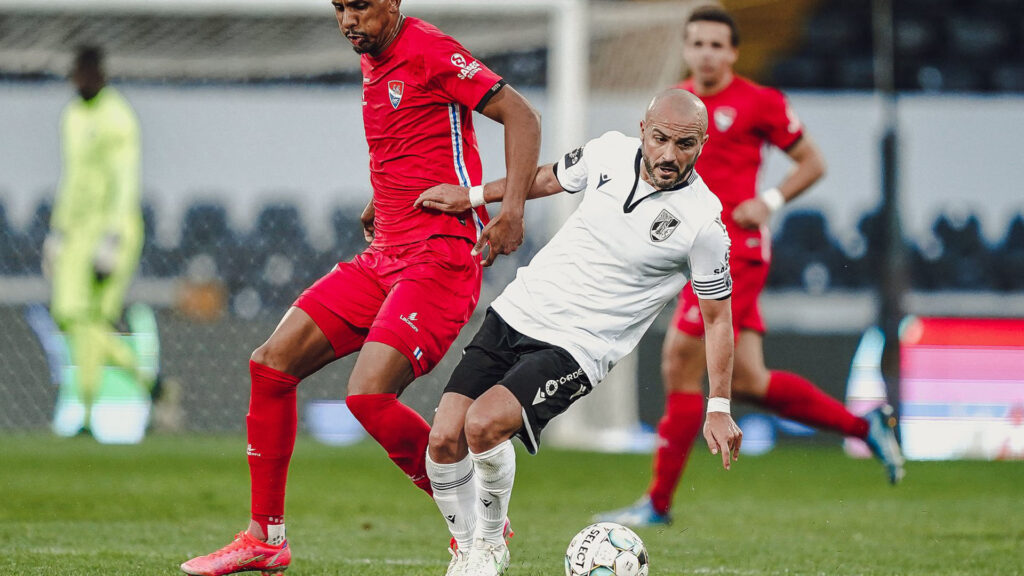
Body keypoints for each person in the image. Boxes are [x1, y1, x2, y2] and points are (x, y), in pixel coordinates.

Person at [180, 1, 540, 574]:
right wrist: (385, 197)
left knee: (368, 395)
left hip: (440, 257)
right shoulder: (373, 54)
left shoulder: (428, 50)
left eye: (361, 5)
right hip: (384, 254)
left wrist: (512, 209)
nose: (349, 19)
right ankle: (266, 538)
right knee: (271, 366)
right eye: (339, 7)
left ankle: (475, 519)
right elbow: (414, 137)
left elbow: (521, 115)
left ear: (393, 3)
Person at [594, 4, 905, 529]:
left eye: (717, 45)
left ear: (733, 52)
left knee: (678, 364)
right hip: (692, 250)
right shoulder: (676, 106)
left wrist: (770, 201)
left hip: (736, 249)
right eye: (698, 43)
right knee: (750, 381)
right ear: (686, 49)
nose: (706, 54)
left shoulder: (760, 101)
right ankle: (865, 426)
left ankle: (658, 504)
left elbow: (812, 162)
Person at [416, 89, 742, 576]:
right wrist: (474, 195)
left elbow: (717, 319)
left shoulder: (704, 225)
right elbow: (548, 178)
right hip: (519, 310)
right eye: (660, 139)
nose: (669, 155)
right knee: (443, 440)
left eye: (685, 144)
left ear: (703, 144)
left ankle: (489, 545)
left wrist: (719, 405)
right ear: (642, 130)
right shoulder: (608, 151)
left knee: (483, 425)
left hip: (578, 346)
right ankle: (467, 550)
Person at [44, 45, 156, 434]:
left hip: (112, 230)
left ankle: (87, 415)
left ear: (100, 74)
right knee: (72, 317)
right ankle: (149, 383)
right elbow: (71, 178)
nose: (80, 80)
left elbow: (126, 180)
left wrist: (113, 237)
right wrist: (58, 232)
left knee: (89, 319)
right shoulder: (72, 116)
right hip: (76, 231)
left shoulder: (117, 117)